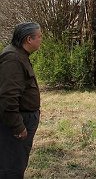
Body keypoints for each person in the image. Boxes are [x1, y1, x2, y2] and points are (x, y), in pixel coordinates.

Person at [0, 22, 42, 178]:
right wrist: (18, 126)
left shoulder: (20, 55)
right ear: (29, 39)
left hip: (24, 118)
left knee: (16, 164)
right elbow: (8, 96)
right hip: (18, 121)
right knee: (11, 168)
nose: (41, 40)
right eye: (39, 36)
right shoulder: (12, 58)